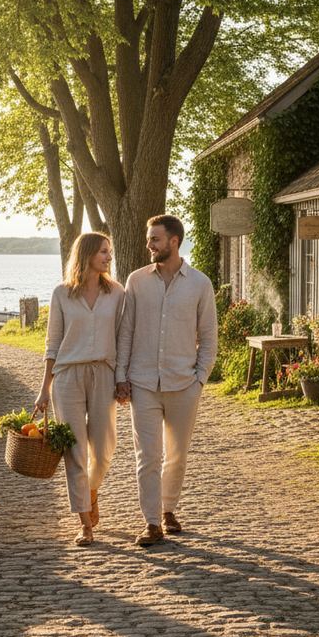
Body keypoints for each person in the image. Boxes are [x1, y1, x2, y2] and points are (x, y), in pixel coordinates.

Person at [115, 214, 218, 546]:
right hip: (143, 382)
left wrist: (199, 378)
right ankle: (151, 522)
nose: (149, 245)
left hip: (183, 383)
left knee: (177, 453)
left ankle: (168, 509)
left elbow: (209, 338)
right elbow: (126, 331)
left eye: (155, 239)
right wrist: (121, 376)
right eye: (149, 239)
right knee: (148, 455)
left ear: (174, 241)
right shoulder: (137, 281)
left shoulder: (200, 284)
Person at [35, 232, 124, 547]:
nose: (108, 257)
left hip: (104, 373)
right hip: (68, 376)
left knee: (103, 447)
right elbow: (52, 344)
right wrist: (44, 388)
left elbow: (123, 339)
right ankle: (84, 522)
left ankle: (91, 489)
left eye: (109, 252)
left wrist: (122, 377)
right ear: (87, 254)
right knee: (75, 451)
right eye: (103, 252)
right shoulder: (62, 294)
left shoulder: (117, 293)